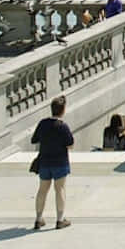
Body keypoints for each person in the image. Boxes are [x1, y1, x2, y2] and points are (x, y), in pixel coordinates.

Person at [31, 95, 74, 230]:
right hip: (60, 161)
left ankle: (38, 219)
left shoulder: (43, 123)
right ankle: (60, 219)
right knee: (59, 189)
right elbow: (70, 144)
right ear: (63, 110)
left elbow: (34, 140)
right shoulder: (63, 126)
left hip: (44, 161)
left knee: (42, 190)